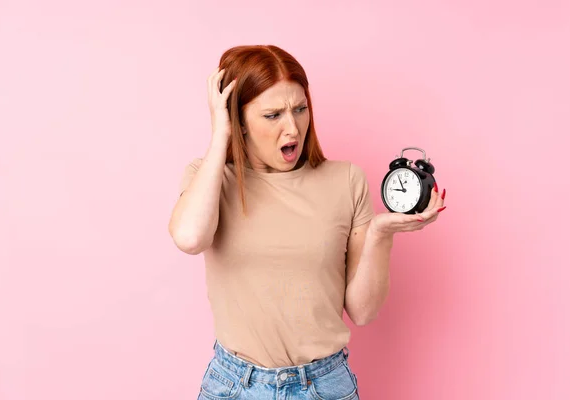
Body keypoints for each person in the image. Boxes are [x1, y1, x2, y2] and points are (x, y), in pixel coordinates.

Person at [168, 44, 447, 400]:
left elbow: (363, 312)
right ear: (238, 118)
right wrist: (220, 136)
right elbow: (190, 237)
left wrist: (380, 233)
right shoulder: (208, 178)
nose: (293, 128)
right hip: (233, 385)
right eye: (272, 115)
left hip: (323, 385)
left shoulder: (346, 180)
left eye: (300, 109)